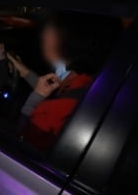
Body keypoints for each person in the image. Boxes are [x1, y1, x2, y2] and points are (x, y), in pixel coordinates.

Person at [7, 11, 122, 150]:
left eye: (51, 31)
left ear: (71, 41)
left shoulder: (52, 113)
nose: (44, 35)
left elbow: (20, 145)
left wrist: (32, 103)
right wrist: (22, 69)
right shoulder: (91, 77)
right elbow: (51, 86)